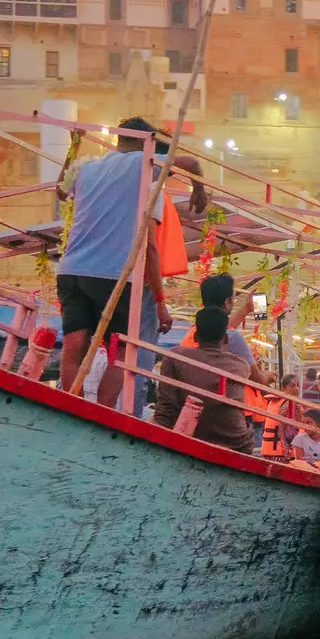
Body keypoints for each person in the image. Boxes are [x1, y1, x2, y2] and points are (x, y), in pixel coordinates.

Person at [56, 117, 176, 408]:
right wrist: (160, 301)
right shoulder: (145, 170)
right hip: (114, 275)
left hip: (72, 270)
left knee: (74, 349)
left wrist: (74, 144)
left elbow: (60, 188)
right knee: (121, 354)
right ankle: (102, 413)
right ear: (145, 141)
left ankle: (73, 409)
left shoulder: (88, 167)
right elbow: (150, 248)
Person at [150, 307, 254, 453]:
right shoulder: (241, 365)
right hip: (238, 443)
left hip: (191, 437)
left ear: (195, 336)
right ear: (225, 339)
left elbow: (166, 410)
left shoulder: (176, 356)